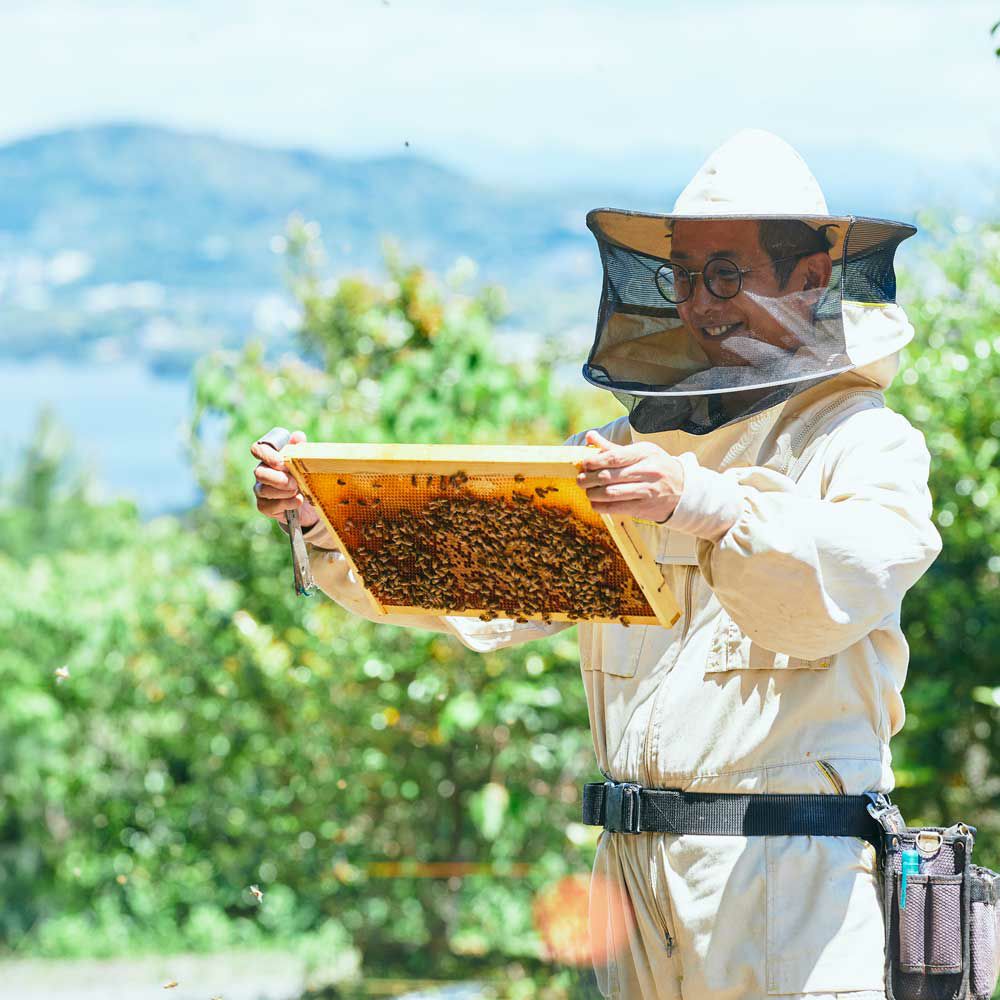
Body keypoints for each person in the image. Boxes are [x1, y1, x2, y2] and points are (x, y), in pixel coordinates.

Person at [251, 130, 941, 999]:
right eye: (683, 277)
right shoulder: (623, 449)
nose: (701, 303)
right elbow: (478, 584)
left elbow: (852, 578)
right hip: (631, 876)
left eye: (726, 274)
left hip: (788, 877)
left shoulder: (863, 440)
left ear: (808, 279)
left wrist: (705, 504)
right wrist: (325, 516)